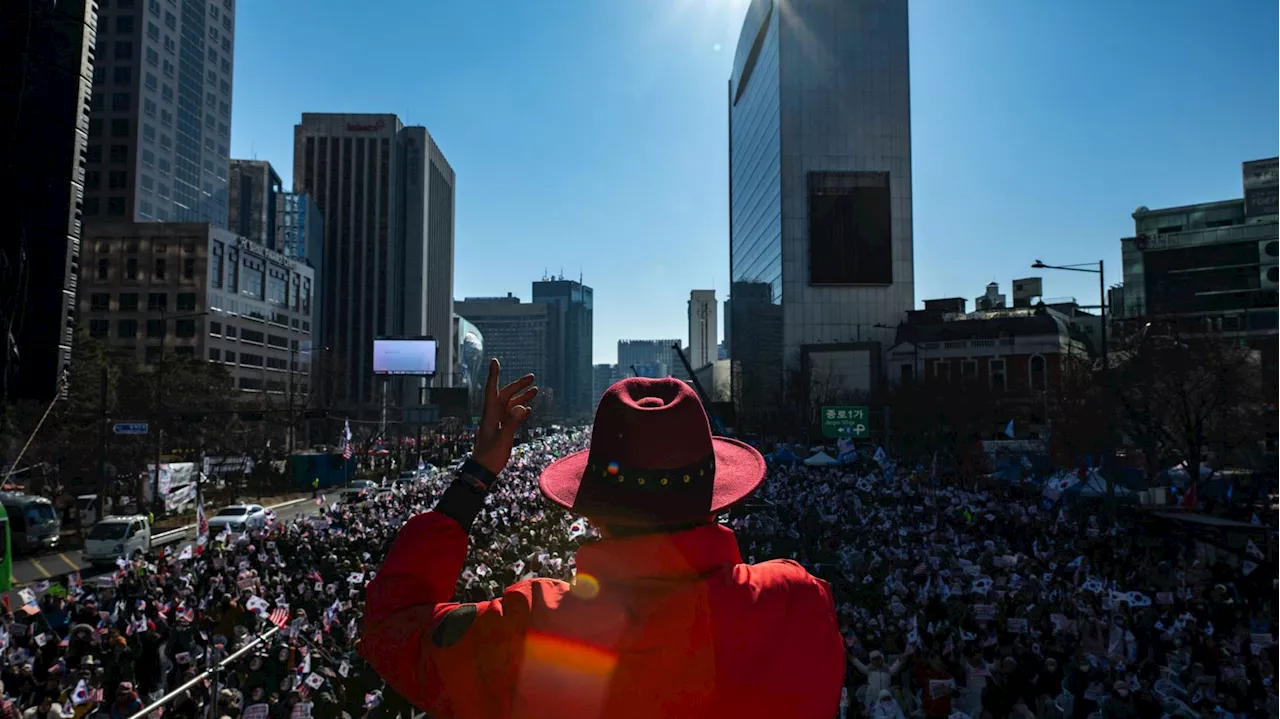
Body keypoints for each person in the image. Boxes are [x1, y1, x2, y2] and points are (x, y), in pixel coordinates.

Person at [362, 361, 846, 718]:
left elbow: (392, 628)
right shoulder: (798, 604)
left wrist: (478, 474)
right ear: (716, 496)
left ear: (592, 509)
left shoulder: (530, 633)